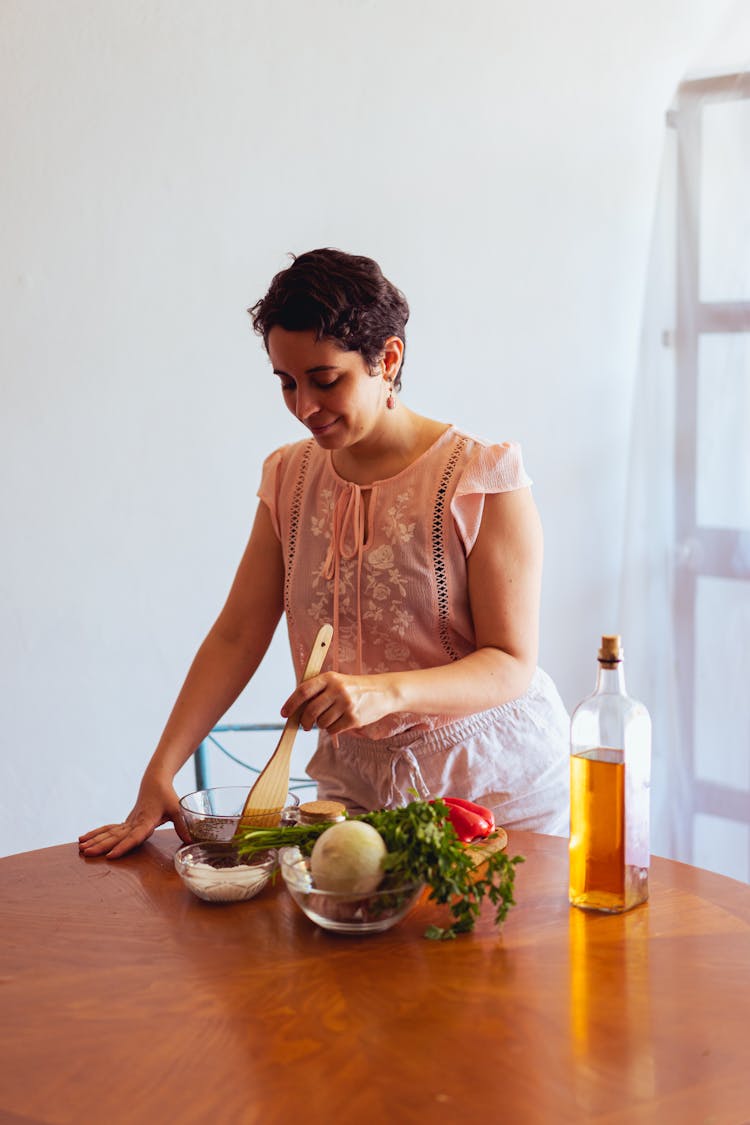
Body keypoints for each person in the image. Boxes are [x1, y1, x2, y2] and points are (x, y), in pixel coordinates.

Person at [79, 248, 569, 859]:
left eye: (325, 379)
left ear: (387, 359)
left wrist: (381, 692)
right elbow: (237, 634)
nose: (303, 406)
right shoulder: (288, 477)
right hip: (354, 787)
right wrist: (163, 769)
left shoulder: (481, 479)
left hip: (495, 785)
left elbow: (510, 662)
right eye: (286, 382)